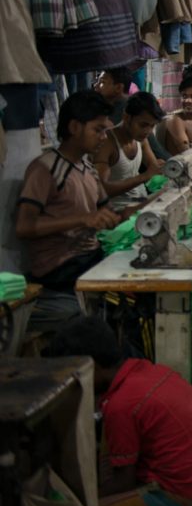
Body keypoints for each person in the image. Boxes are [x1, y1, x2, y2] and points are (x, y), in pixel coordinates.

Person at [47, 316, 192, 506]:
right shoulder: (145, 369)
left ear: (91, 366)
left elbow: (123, 481)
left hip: (174, 493)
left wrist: (82, 498)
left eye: (75, 374)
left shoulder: (121, 405)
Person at [15, 91, 122, 330]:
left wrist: (150, 204)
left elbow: (110, 214)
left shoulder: (87, 168)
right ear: (74, 127)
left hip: (88, 261)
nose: (104, 137)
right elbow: (24, 226)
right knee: (105, 314)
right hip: (60, 271)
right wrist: (82, 219)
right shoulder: (45, 168)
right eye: (98, 130)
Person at [92, 92, 165, 209]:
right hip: (118, 210)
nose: (147, 131)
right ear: (126, 117)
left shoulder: (141, 139)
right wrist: (144, 176)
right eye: (143, 125)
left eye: (152, 126)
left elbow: (154, 168)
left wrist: (163, 168)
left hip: (140, 202)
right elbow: (102, 190)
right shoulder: (107, 143)